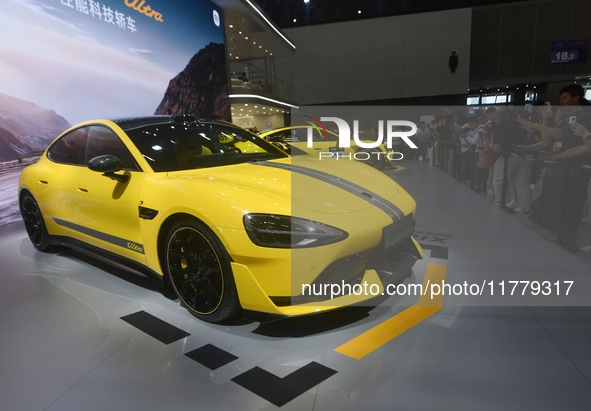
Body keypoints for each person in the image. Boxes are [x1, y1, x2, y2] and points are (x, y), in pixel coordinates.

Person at [517, 84, 591, 249]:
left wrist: (535, 126)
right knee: (555, 204)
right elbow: (548, 138)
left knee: (570, 206)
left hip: (574, 170)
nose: (561, 102)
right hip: (556, 167)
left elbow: (567, 137)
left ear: (576, 98)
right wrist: (545, 118)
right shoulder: (564, 119)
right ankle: (557, 236)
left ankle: (567, 238)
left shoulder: (584, 116)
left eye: (565, 98)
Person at [489, 108, 532, 213]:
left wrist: (489, 144)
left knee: (498, 178)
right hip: (526, 155)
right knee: (523, 183)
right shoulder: (516, 124)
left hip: (510, 155)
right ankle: (526, 210)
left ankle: (499, 203)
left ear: (495, 118)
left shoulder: (499, 127)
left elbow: (498, 147)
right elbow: (528, 137)